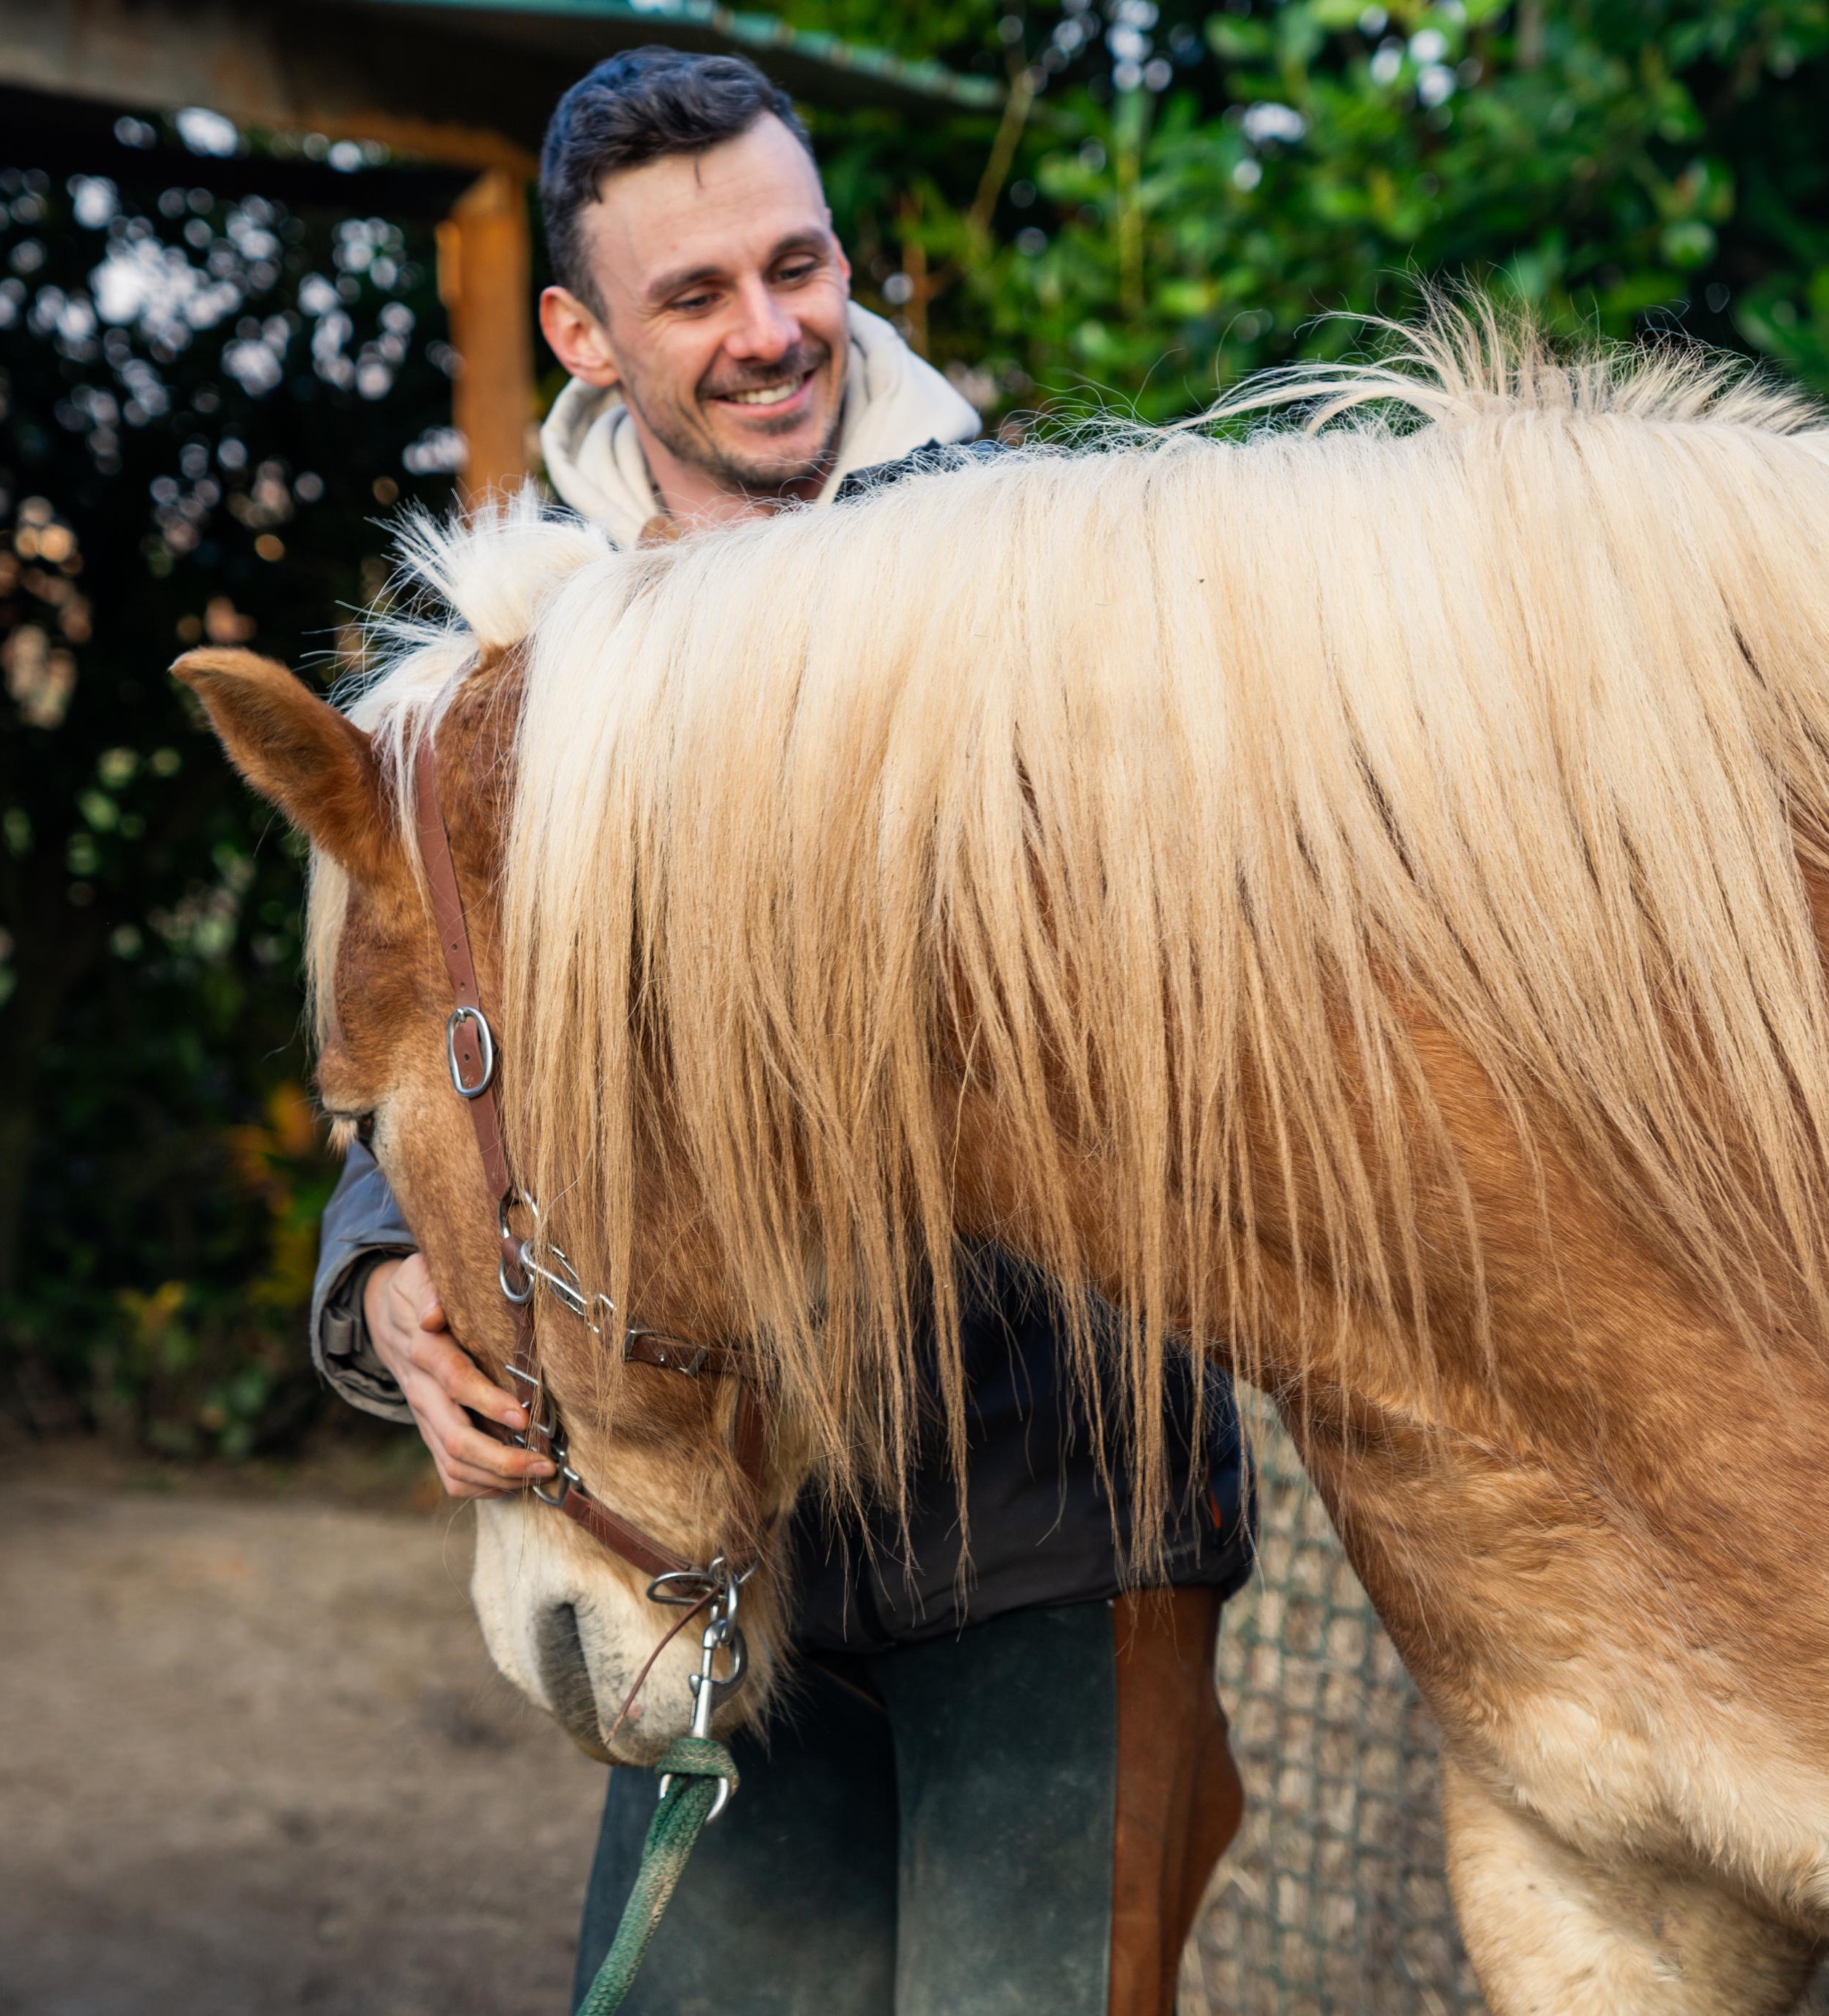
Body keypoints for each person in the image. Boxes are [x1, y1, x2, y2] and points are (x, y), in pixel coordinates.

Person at [310, 49, 1253, 2016]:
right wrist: (387, 1267)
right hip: (714, 1542)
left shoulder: (1040, 568)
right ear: (579, 333)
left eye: (798, 266)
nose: (775, 334)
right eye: (697, 296)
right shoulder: (504, 662)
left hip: (1061, 1515)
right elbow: (420, 1044)